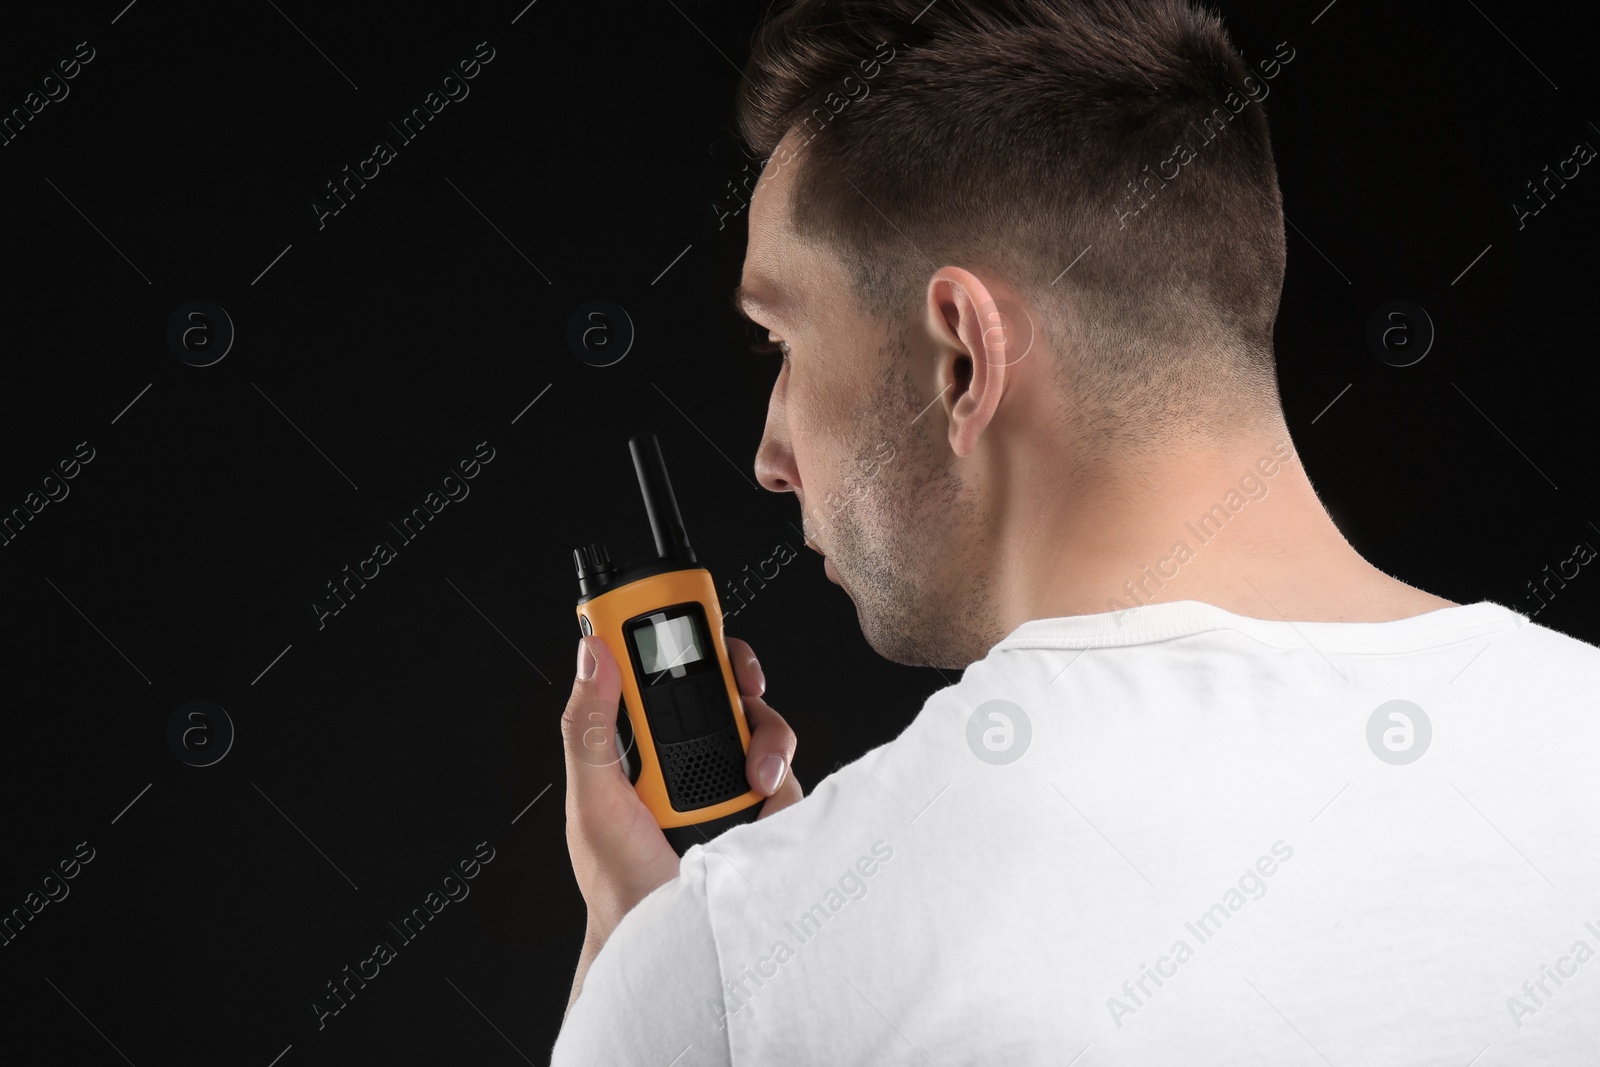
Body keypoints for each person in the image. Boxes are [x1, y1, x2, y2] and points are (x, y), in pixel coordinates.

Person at [551, 0, 1600, 1062]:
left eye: (781, 339)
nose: (770, 456)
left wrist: (683, 971)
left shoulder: (738, 960)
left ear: (961, 359)